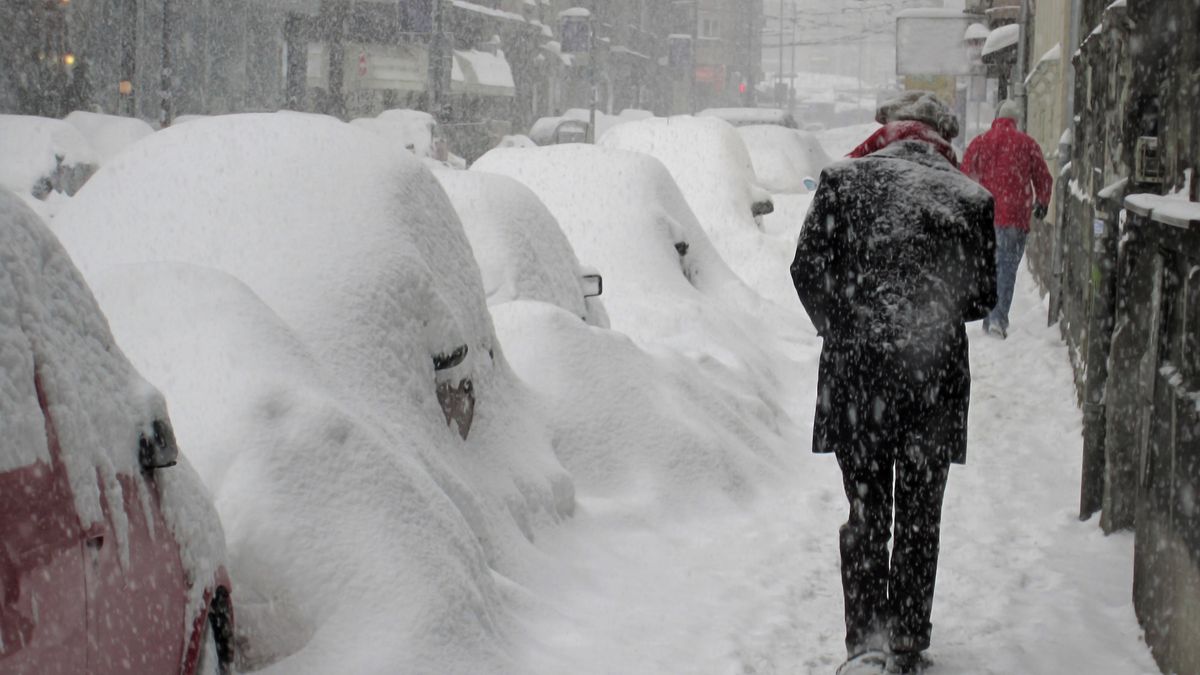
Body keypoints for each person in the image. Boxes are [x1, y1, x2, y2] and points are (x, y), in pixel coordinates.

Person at [790, 92, 996, 675]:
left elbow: (806, 270)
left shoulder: (840, 183)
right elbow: (982, 296)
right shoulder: (967, 197)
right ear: (940, 135)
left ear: (888, 129)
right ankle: (907, 637)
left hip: (856, 384)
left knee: (865, 511)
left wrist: (848, 327)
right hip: (933, 385)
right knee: (920, 514)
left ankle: (866, 642)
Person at [962, 100, 1053, 339]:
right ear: (1016, 121)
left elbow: (964, 175)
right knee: (1006, 268)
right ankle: (998, 319)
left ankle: (988, 317)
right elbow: (1043, 176)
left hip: (985, 216)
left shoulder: (981, 142)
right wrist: (1042, 202)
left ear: (997, 117)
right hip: (1015, 217)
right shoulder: (1027, 144)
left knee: (987, 268)